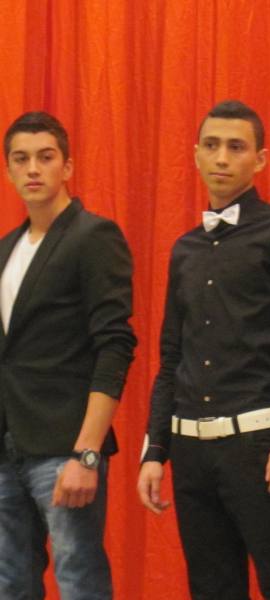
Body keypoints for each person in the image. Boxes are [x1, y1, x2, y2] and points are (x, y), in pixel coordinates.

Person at [137, 100, 270, 600]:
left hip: (257, 443)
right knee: (211, 590)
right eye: (211, 145)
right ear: (195, 155)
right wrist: (155, 451)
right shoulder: (184, 248)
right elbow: (171, 357)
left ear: (260, 159)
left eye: (236, 147)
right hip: (189, 447)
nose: (222, 157)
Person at [0, 111, 136, 600]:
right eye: (21, 159)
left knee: (79, 582)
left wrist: (86, 452)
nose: (33, 168)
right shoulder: (6, 248)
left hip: (65, 448)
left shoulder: (92, 236)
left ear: (68, 167)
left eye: (45, 157)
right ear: (9, 171)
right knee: (9, 585)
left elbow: (114, 345)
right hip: (6, 446)